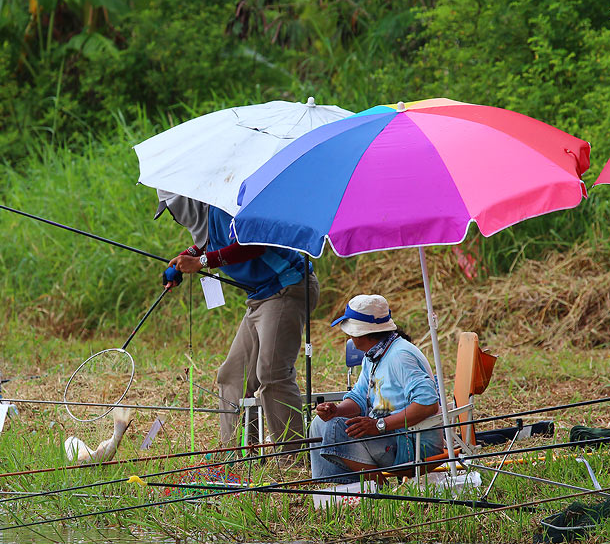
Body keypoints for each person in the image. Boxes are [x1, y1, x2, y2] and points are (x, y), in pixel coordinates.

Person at [156, 190, 319, 447]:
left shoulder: (223, 209)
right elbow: (211, 242)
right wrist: (186, 258)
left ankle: (292, 457)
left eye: (173, 209)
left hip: (286, 287)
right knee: (233, 375)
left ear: (185, 202)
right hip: (260, 297)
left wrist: (202, 261)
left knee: (272, 373)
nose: (176, 217)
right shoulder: (209, 218)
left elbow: (254, 244)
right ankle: (236, 455)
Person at [309, 294, 443, 484]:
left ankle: (377, 489)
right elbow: (358, 397)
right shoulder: (372, 356)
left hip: (414, 441)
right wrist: (336, 410)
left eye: (351, 331)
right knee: (320, 423)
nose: (348, 335)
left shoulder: (400, 356)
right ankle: (338, 488)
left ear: (363, 333)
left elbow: (427, 404)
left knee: (335, 428)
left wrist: (380, 425)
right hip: (392, 435)